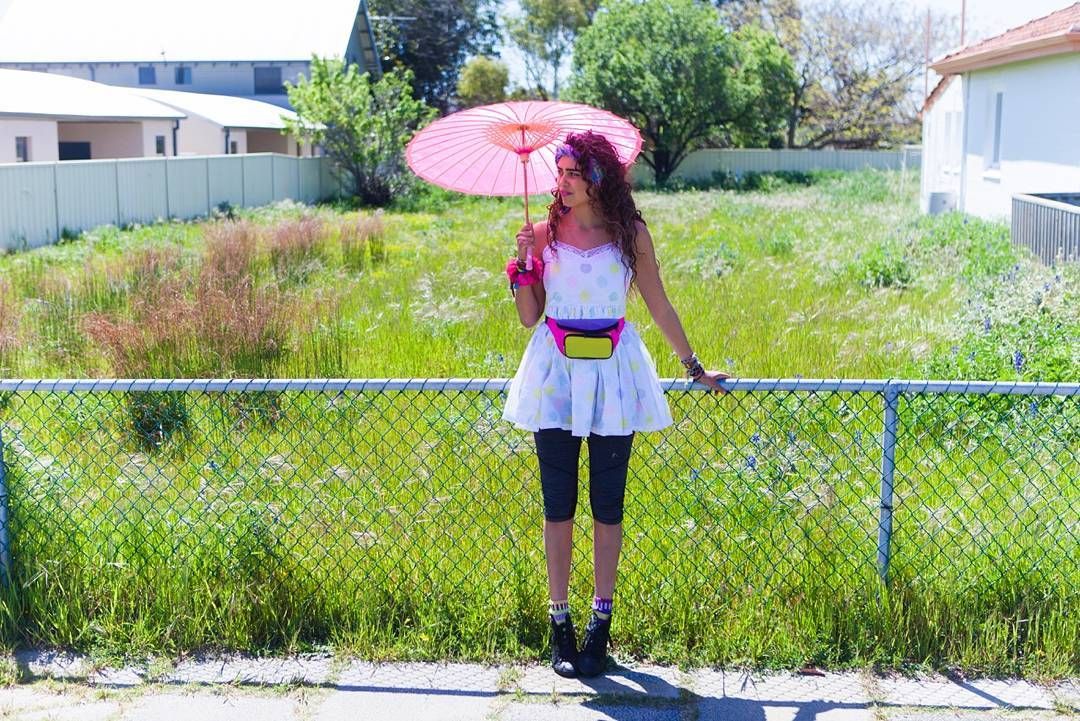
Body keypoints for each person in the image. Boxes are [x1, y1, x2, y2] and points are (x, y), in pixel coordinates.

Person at [501, 131, 729, 678]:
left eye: (573, 172)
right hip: (555, 377)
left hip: (613, 377)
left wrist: (695, 368)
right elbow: (530, 317)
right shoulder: (541, 233)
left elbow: (658, 303)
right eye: (559, 173)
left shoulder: (631, 233)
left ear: (598, 175)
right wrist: (524, 266)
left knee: (608, 505)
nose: (563, 182)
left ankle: (599, 624)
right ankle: (559, 623)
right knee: (558, 506)